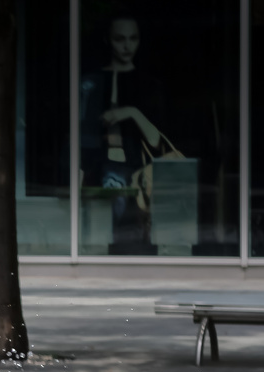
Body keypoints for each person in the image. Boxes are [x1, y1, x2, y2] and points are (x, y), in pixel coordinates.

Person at [81, 12, 172, 249]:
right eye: (120, 39)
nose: (127, 46)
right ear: (108, 40)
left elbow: (156, 141)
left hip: (135, 169)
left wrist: (131, 112)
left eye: (133, 38)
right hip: (99, 167)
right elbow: (82, 135)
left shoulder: (149, 84)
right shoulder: (91, 82)